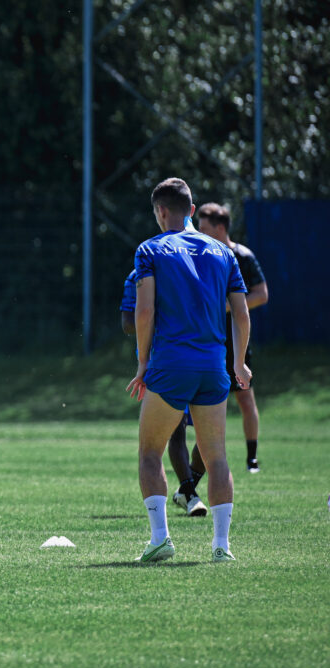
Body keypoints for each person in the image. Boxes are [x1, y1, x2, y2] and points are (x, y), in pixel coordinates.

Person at [127, 178, 250, 563]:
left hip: (170, 364)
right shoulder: (223, 252)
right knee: (217, 458)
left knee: (150, 452)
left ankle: (161, 539)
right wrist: (238, 361)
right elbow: (242, 315)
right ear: (193, 210)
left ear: (161, 211)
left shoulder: (150, 249)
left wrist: (143, 361)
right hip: (214, 366)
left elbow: (143, 311)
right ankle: (221, 547)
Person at [120, 269, 206, 516]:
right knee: (176, 433)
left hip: (197, 359)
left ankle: (185, 490)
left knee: (207, 440)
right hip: (161, 362)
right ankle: (190, 496)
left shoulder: (189, 271)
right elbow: (127, 324)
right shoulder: (138, 275)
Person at [196, 202, 269, 474]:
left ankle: (251, 458)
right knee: (210, 404)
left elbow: (261, 294)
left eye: (204, 228)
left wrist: (231, 306)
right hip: (208, 339)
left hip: (236, 339)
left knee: (245, 399)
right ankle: (201, 465)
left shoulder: (242, 256)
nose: (200, 233)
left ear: (220, 227)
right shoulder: (201, 255)